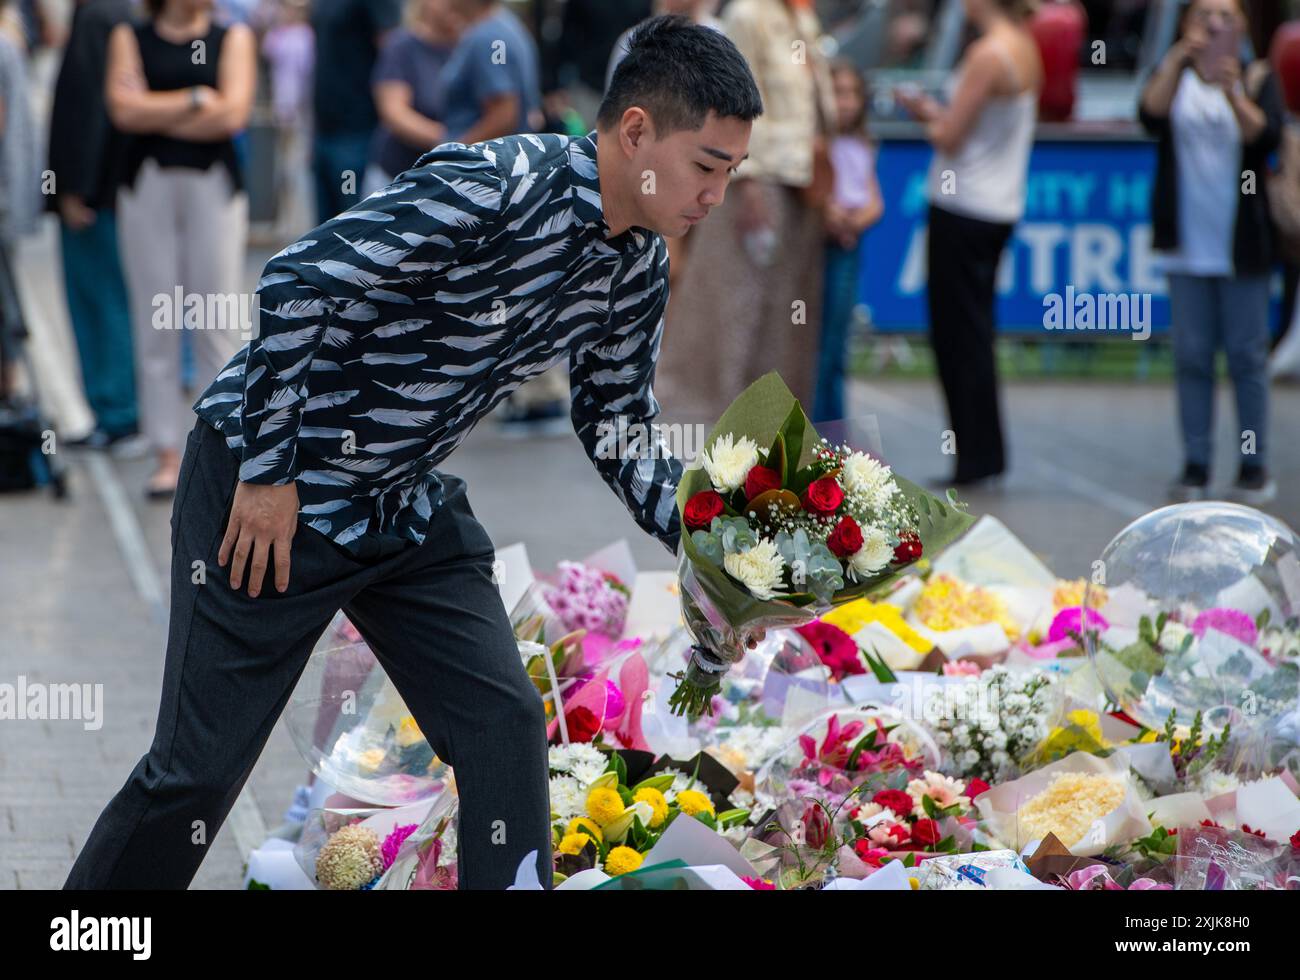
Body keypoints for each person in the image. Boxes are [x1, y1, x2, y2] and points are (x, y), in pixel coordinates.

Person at [63, 14, 762, 891]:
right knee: (196, 774)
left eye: (731, 173)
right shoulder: (493, 183)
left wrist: (712, 558)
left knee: (502, 725)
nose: (716, 195)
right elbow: (295, 283)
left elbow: (616, 421)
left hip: (400, 502)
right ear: (635, 132)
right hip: (272, 490)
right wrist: (273, 472)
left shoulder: (638, 265)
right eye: (706, 165)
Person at [658, 0, 838, 421]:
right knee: (734, 315)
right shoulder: (746, 14)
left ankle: (774, 438)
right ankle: (706, 434)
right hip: (756, 183)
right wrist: (747, 179)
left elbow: (818, 104)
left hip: (801, 182)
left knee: (787, 322)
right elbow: (732, 105)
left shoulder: (803, 18)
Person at [104, 0, 255, 499]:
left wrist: (156, 109)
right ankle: (167, 452)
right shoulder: (131, 35)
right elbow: (123, 110)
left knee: (217, 316)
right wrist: (195, 98)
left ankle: (223, 447)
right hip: (146, 185)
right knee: (157, 319)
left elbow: (232, 113)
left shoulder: (231, 36)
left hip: (213, 185)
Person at [1140, 0, 1283, 505]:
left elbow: (1265, 135)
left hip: (1241, 244)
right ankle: (1196, 462)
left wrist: (1232, 91)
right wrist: (1179, 58)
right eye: (1204, 15)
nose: (1215, 25)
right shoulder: (1175, 77)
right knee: (1192, 356)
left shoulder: (1258, 75)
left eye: (1226, 16)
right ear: (1186, 22)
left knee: (1246, 356)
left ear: (1242, 25)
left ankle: (1253, 462)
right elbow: (1148, 115)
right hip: (1187, 244)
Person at [897, 0, 1042, 488]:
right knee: (976, 332)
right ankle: (985, 453)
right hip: (997, 204)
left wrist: (923, 114)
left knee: (958, 338)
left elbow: (950, 136)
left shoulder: (987, 54)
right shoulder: (1024, 45)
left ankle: (973, 457)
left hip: (964, 205)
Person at [46, 0, 142, 454]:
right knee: (107, 299)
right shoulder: (112, 12)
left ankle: (116, 412)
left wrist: (74, 187)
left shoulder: (99, 13)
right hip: (108, 189)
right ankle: (115, 410)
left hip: (93, 193)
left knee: (99, 299)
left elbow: (86, 108)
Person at [310, 0, 402, 223]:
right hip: (324, 131)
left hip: (358, 133)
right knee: (324, 238)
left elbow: (393, 54)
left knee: (354, 229)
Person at [363, 0, 460, 196]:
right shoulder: (402, 46)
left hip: (449, 180)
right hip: (396, 175)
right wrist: (452, 140)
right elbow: (394, 112)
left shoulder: (471, 45)